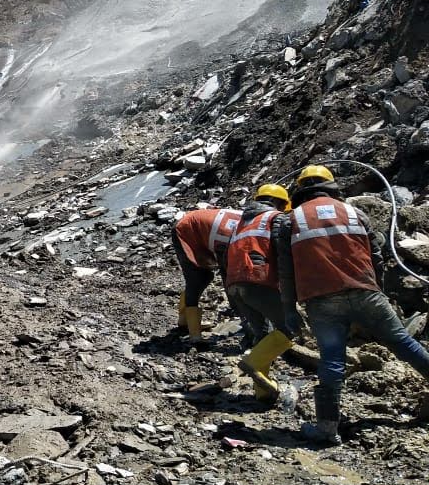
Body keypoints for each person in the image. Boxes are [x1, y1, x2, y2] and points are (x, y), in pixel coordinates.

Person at [278, 164, 429, 444]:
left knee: (332, 359)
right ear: (331, 185)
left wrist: (289, 309)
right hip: (365, 291)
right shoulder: (354, 212)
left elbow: (285, 271)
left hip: (321, 299)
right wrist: (378, 290)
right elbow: (377, 256)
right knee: (403, 342)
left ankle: (326, 427)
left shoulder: (291, 220)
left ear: (301, 190)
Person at [226, 184, 297, 403]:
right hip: (257, 281)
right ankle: (251, 361)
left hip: (235, 285)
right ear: (282, 203)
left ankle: (263, 393)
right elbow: (285, 254)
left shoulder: (242, 223)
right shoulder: (276, 218)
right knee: (291, 327)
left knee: (263, 335)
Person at [171, 205, 241, 345]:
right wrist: (238, 308)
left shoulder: (252, 228)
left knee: (204, 277)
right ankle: (194, 334)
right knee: (198, 278)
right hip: (186, 230)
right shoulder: (236, 239)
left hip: (201, 227)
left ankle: (184, 321)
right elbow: (227, 273)